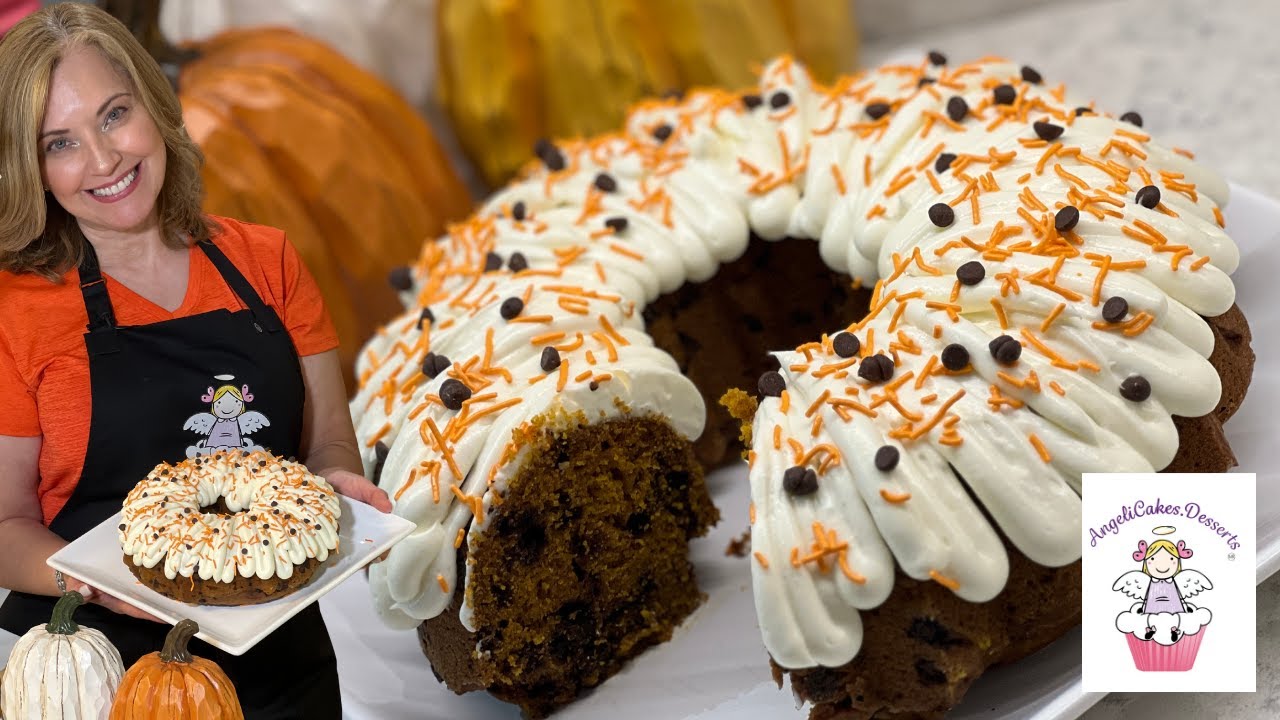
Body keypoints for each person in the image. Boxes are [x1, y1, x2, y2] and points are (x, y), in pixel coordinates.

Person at [0, 4, 391, 718]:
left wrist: (337, 485)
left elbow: (330, 441)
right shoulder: (15, 311)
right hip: (98, 668)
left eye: (115, 115)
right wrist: (98, 585)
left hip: (277, 652)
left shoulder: (266, 260)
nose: (104, 158)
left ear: (155, 102)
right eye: (60, 142)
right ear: (31, 167)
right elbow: (4, 528)